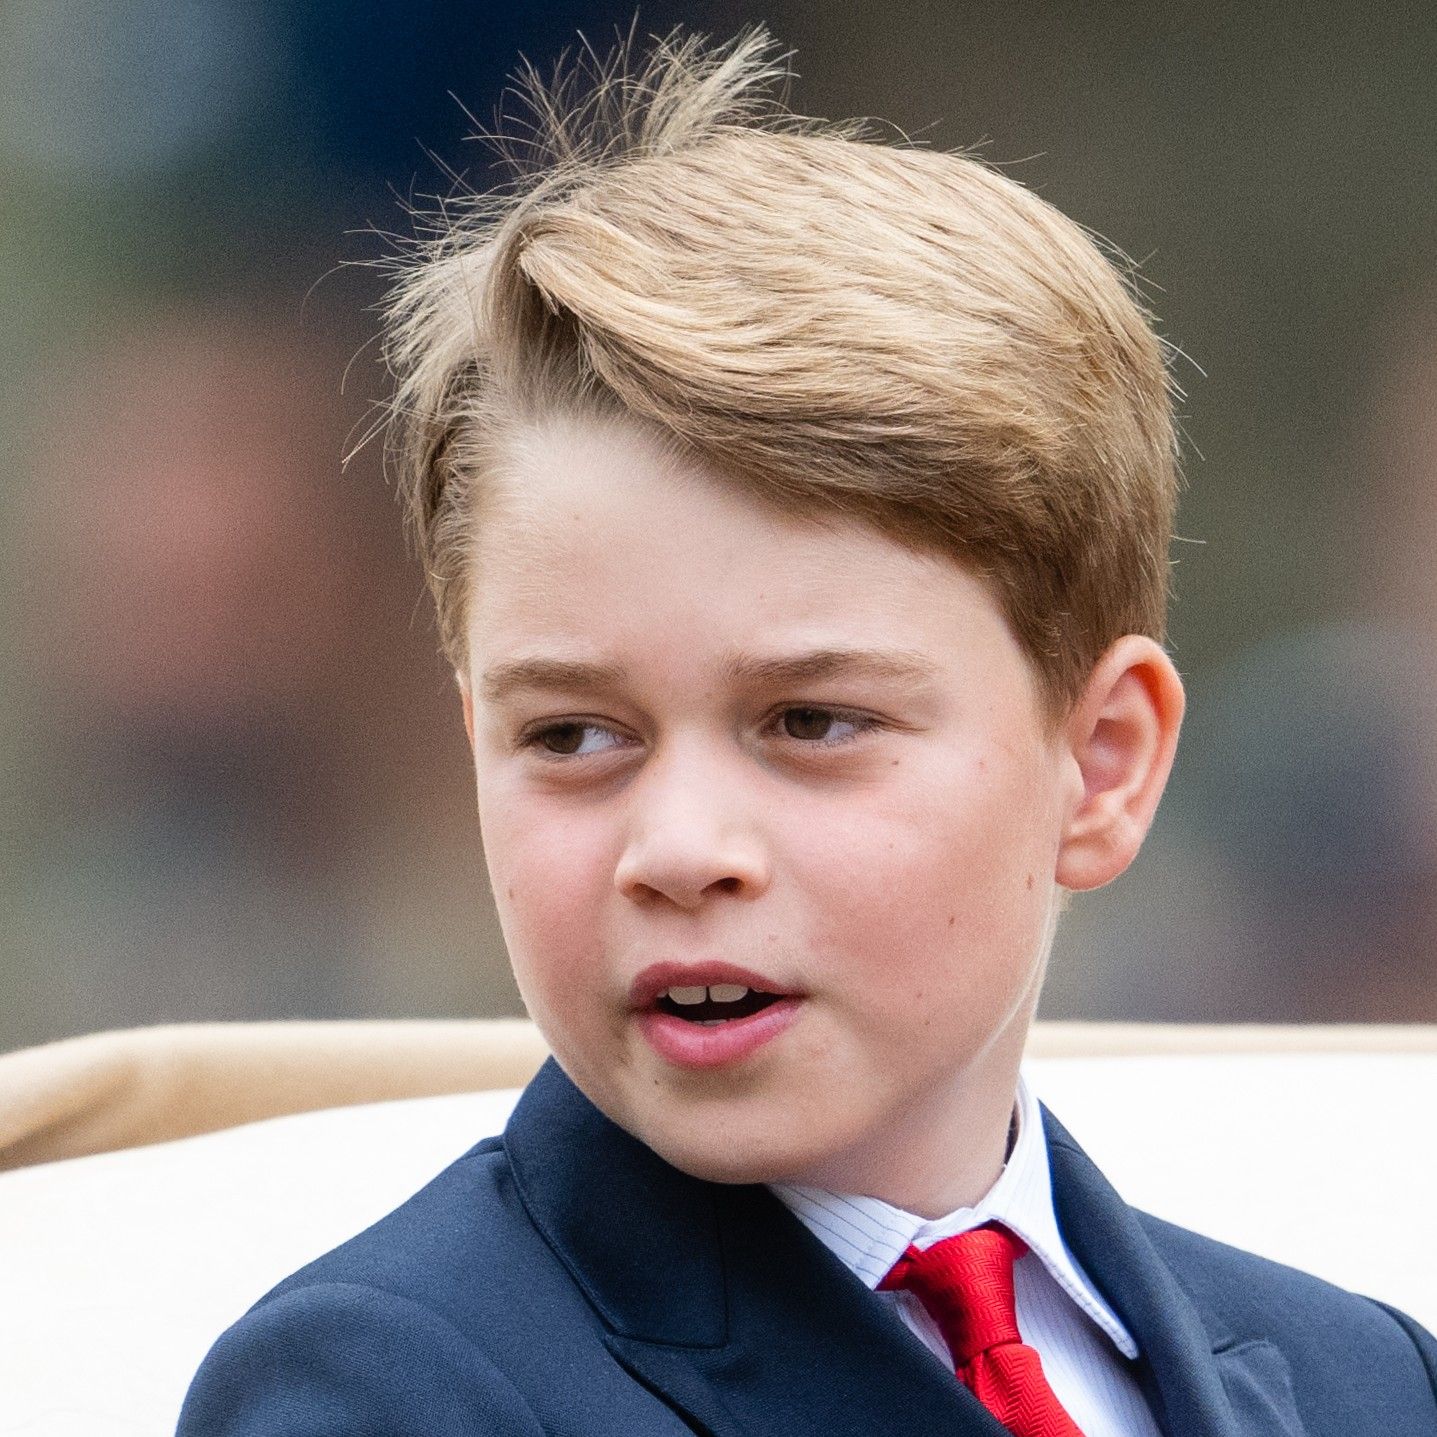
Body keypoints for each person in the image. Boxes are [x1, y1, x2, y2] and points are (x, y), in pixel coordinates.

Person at [178, 28, 1437, 1436]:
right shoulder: (383, 1389)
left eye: (811, 720)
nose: (680, 848)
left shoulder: (1366, 1378)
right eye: (574, 737)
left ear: (1099, 763)